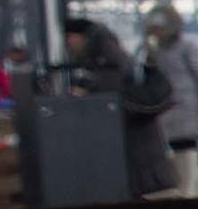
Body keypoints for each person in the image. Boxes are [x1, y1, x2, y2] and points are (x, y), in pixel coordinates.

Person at [63, 17, 177, 198]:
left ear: (79, 37)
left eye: (69, 37)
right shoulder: (106, 53)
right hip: (140, 148)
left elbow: (115, 84)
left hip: (134, 150)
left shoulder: (104, 59)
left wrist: (89, 93)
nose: (68, 43)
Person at [143, 3, 198, 198]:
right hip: (167, 106)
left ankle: (189, 190)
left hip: (187, 103)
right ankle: (181, 186)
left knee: (187, 144)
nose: (156, 32)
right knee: (174, 146)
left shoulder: (188, 45)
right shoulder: (156, 49)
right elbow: (150, 75)